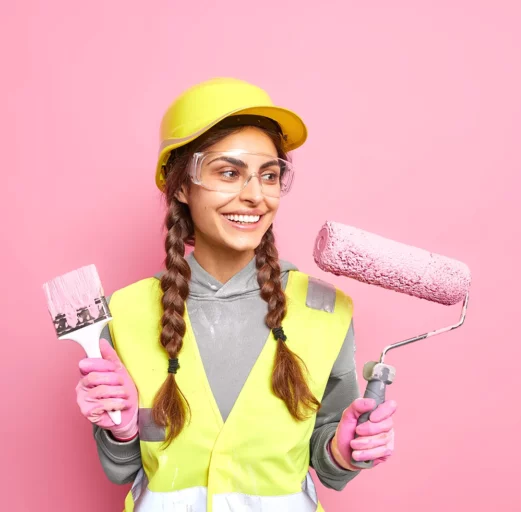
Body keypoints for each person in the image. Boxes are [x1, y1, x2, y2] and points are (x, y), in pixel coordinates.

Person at [73, 77, 397, 511]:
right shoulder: (125, 313)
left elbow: (327, 455)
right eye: (229, 172)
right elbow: (122, 465)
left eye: (269, 175)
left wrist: (342, 449)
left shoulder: (324, 310)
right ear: (182, 186)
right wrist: (122, 427)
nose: (255, 196)